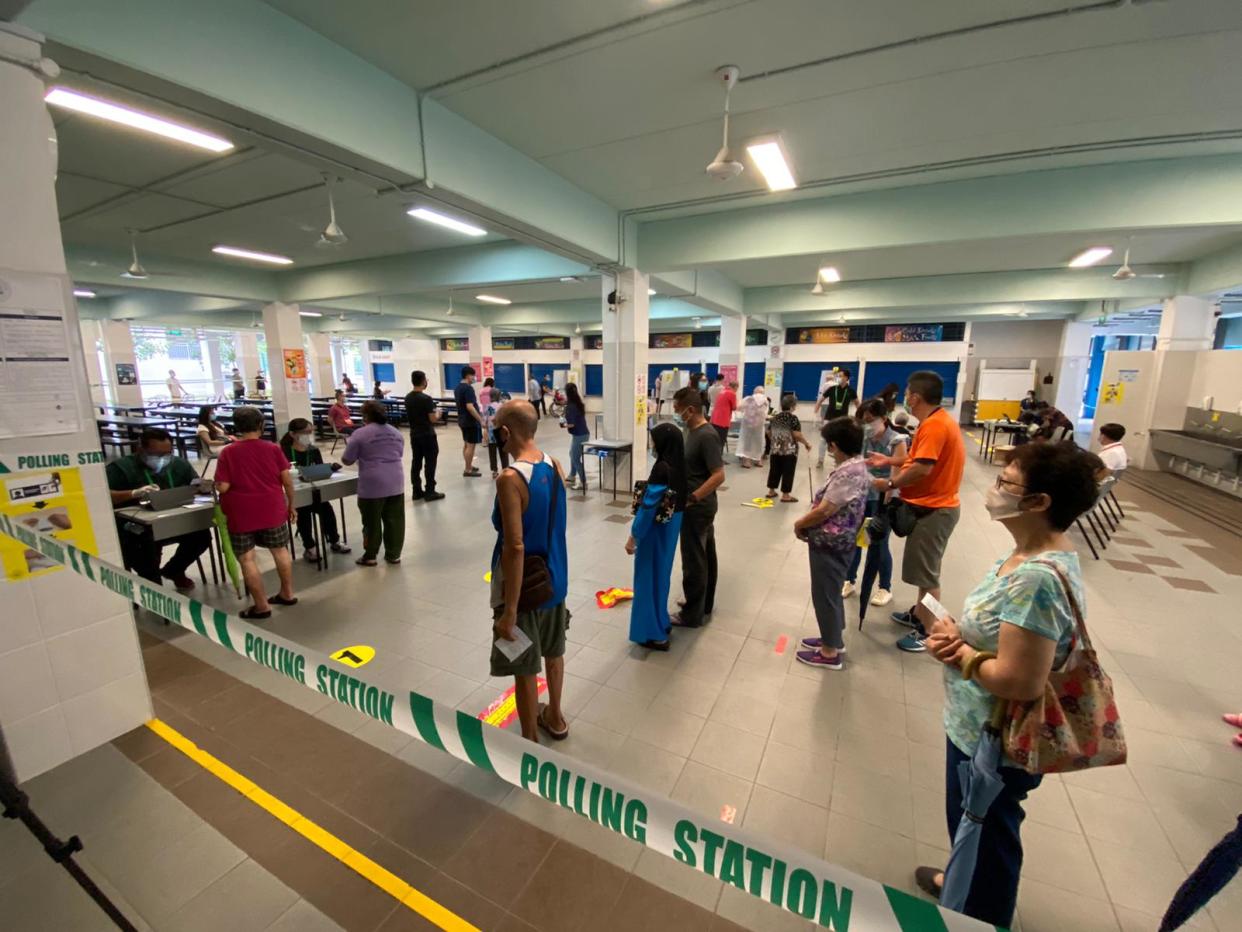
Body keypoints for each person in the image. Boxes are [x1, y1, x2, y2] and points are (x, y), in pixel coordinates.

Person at [916, 442, 1099, 927]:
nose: (994, 489)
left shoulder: (1036, 579)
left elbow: (1019, 680)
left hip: (995, 737)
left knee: (989, 831)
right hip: (975, 726)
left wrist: (962, 655)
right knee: (971, 824)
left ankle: (979, 912)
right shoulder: (1025, 554)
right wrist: (964, 635)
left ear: (1039, 502)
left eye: (1007, 483)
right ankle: (962, 879)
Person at [489, 400, 570, 743]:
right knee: (554, 652)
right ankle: (554, 715)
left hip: (522, 591)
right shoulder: (555, 466)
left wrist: (509, 610)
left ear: (506, 431)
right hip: (555, 580)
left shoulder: (510, 478)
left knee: (523, 667)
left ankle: (529, 741)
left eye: (497, 432)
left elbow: (515, 547)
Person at [869, 371, 965, 653]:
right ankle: (920, 614)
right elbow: (915, 460)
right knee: (922, 573)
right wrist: (889, 459)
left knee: (928, 578)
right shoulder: (934, 422)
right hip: (930, 507)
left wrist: (890, 482)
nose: (905, 399)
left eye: (908, 394)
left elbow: (923, 468)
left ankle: (930, 628)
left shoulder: (935, 426)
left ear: (915, 397)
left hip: (936, 510)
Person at [793, 417, 870, 670]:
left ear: (835, 446)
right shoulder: (857, 466)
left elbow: (825, 510)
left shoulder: (848, 472)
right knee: (831, 592)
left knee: (824, 595)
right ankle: (833, 638)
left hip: (831, 542)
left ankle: (829, 653)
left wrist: (800, 523)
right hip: (839, 541)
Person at [214, 406, 297, 619]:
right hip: (272, 508)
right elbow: (287, 481)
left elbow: (222, 487)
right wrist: (291, 505)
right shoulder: (273, 448)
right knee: (280, 550)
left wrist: (213, 484)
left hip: (241, 513)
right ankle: (287, 593)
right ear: (261, 425)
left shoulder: (228, 452)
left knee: (247, 558)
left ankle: (261, 606)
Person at [107, 427, 210, 591]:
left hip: (173, 519)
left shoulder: (178, 464)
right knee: (144, 551)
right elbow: (104, 495)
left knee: (201, 536)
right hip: (136, 526)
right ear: (141, 448)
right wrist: (133, 493)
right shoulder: (121, 468)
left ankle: (174, 570)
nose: (162, 459)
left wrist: (202, 486)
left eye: (167, 454)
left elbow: (194, 483)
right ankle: (154, 588)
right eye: (156, 455)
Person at [843, 398, 908, 606]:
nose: (867, 424)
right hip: (862, 495)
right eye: (863, 420)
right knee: (856, 539)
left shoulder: (897, 440)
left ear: (884, 418)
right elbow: (856, 463)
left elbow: (898, 469)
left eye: (870, 420)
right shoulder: (864, 439)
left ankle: (884, 587)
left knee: (878, 543)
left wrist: (889, 493)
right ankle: (849, 580)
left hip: (884, 498)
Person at [626, 423, 686, 651]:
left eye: (654, 440)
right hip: (670, 531)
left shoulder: (661, 469)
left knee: (646, 581)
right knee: (661, 579)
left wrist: (633, 536)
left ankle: (653, 633)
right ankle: (661, 620)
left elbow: (648, 507)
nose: (652, 444)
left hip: (654, 534)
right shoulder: (680, 467)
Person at [672, 386, 725, 628]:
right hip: (698, 506)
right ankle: (702, 603)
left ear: (690, 410)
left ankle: (691, 615)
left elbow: (718, 475)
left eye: (677, 410)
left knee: (693, 561)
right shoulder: (691, 431)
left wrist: (692, 497)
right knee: (705, 556)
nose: (675, 414)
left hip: (698, 509)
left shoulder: (706, 435)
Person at [342, 400, 406, 566]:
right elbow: (399, 453)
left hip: (372, 484)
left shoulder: (360, 434)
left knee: (371, 521)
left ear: (365, 416)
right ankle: (394, 554)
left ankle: (370, 555)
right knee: (395, 520)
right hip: (395, 481)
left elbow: (347, 459)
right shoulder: (395, 432)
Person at [279, 418, 349, 561]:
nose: (308, 436)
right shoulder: (284, 451)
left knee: (327, 511)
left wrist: (331, 468)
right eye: (305, 433)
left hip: (314, 489)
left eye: (310, 432)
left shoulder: (313, 450)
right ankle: (310, 547)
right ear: (292, 434)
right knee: (303, 514)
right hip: (296, 492)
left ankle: (334, 540)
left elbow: (319, 468)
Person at [405, 370, 443, 502]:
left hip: (414, 434)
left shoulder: (408, 397)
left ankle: (416, 490)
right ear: (423, 381)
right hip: (427, 434)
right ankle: (430, 490)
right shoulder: (426, 399)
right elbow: (432, 419)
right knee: (430, 462)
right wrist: (438, 414)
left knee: (416, 462)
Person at [765, 393, 812, 502]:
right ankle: (785, 495)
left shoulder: (775, 417)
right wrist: (806, 443)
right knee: (788, 471)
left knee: (774, 469)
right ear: (792, 406)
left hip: (775, 449)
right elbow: (797, 435)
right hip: (789, 451)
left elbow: (768, 432)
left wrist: (775, 440)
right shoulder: (793, 418)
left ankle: (771, 491)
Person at [816, 371, 858, 467]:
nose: (839, 378)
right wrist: (817, 407)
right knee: (823, 439)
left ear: (847, 378)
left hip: (842, 420)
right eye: (838, 376)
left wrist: (860, 415)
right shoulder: (832, 389)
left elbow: (857, 403)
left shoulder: (851, 391)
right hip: (829, 418)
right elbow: (821, 399)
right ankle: (820, 460)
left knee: (840, 441)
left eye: (841, 376)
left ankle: (839, 461)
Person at [455, 365, 485, 477]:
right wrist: (480, 419)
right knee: (471, 445)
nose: (474, 378)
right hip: (470, 421)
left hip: (462, 420)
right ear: (468, 376)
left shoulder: (458, 387)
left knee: (466, 444)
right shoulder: (468, 388)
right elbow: (470, 406)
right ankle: (468, 469)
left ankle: (469, 465)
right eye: (473, 375)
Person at [562, 382, 590, 491]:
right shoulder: (578, 403)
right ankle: (571, 476)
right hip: (582, 433)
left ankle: (583, 483)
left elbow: (571, 424)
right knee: (571, 454)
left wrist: (563, 425)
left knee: (575, 458)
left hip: (579, 435)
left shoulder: (570, 406)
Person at [482, 383, 510, 478]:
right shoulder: (501, 406)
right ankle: (505, 469)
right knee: (503, 451)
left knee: (492, 452)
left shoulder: (486, 406)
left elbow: (484, 421)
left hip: (491, 433)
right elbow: (505, 418)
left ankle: (494, 471)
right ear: (498, 396)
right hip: (500, 431)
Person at [736, 386, 768, 468]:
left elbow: (739, 407)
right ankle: (758, 460)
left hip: (747, 425)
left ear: (754, 392)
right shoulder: (765, 400)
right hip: (759, 426)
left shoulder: (748, 398)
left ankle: (747, 461)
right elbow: (766, 413)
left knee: (747, 442)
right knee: (759, 442)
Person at [709, 379, 738, 450]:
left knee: (714, 441)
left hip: (714, 420)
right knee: (721, 442)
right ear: (736, 387)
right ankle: (718, 459)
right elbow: (734, 407)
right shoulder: (732, 393)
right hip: (723, 421)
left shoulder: (722, 391)